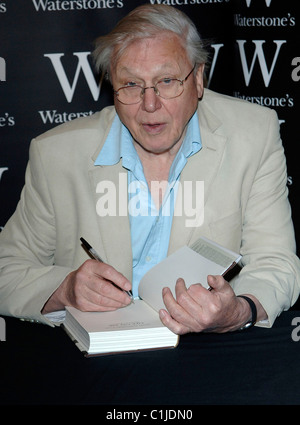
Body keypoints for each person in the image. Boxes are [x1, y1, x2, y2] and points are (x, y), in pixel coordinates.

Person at [0, 4, 299, 334]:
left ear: (198, 79)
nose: (150, 104)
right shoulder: (56, 154)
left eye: (167, 81)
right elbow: (6, 270)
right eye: (130, 85)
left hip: (206, 354)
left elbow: (275, 262)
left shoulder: (254, 134)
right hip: (95, 360)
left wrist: (238, 311)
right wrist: (65, 288)